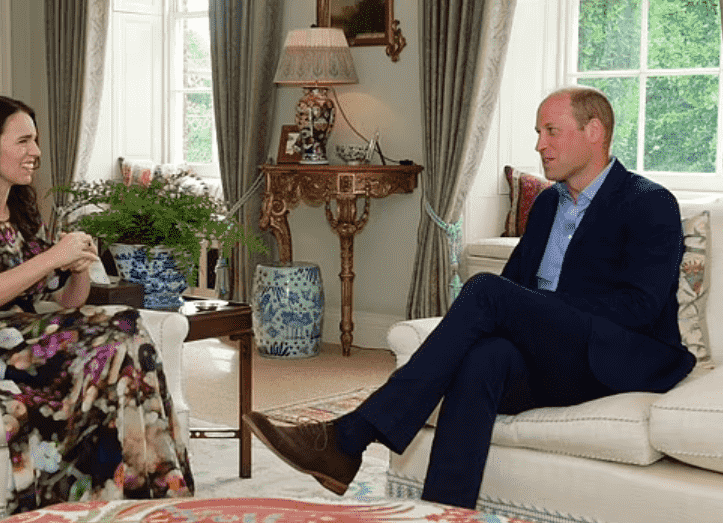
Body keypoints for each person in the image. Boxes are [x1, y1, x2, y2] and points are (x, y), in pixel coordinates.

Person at [243, 86, 696, 508]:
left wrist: (547, 314)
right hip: (555, 356)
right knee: (486, 359)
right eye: (538, 132)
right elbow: (519, 291)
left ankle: (350, 436)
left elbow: (641, 308)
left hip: (616, 356)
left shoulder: (648, 202)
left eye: (551, 131)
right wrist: (533, 318)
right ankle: (445, 511)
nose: (540, 144)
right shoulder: (548, 205)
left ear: (593, 131)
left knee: (485, 289)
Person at [0, 95, 193, 513]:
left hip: (22, 332)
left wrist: (80, 264)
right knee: (117, 331)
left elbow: (65, 299)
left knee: (125, 327)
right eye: (24, 141)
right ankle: (132, 498)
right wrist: (52, 257)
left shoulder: (23, 211)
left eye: (37, 141)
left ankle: (148, 497)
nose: (37, 153)